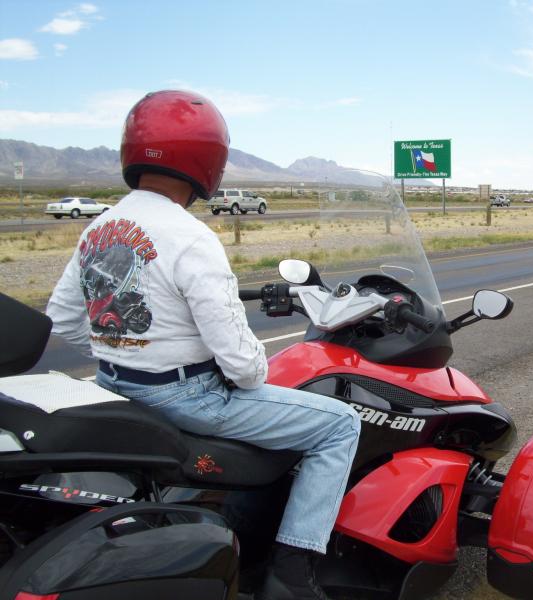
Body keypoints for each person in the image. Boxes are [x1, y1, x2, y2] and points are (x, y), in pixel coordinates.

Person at [45, 89, 360, 600]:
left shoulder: (98, 228)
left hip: (112, 386)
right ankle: (292, 572)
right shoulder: (189, 236)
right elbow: (242, 364)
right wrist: (245, 370)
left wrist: (121, 350)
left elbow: (61, 318)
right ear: (207, 160)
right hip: (186, 397)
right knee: (341, 425)